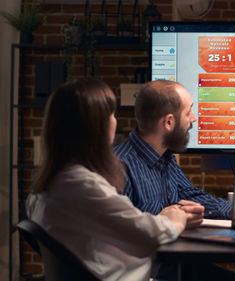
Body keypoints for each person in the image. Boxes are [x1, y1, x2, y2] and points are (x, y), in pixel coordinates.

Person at [26, 78, 188, 281]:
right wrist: (174, 219)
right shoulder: (83, 186)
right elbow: (151, 235)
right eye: (111, 114)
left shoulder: (42, 190)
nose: (115, 121)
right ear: (96, 127)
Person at [114, 80, 232, 225]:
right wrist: (162, 221)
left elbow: (190, 195)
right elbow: (116, 232)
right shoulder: (119, 167)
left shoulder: (166, 156)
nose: (193, 119)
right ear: (169, 122)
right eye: (188, 112)